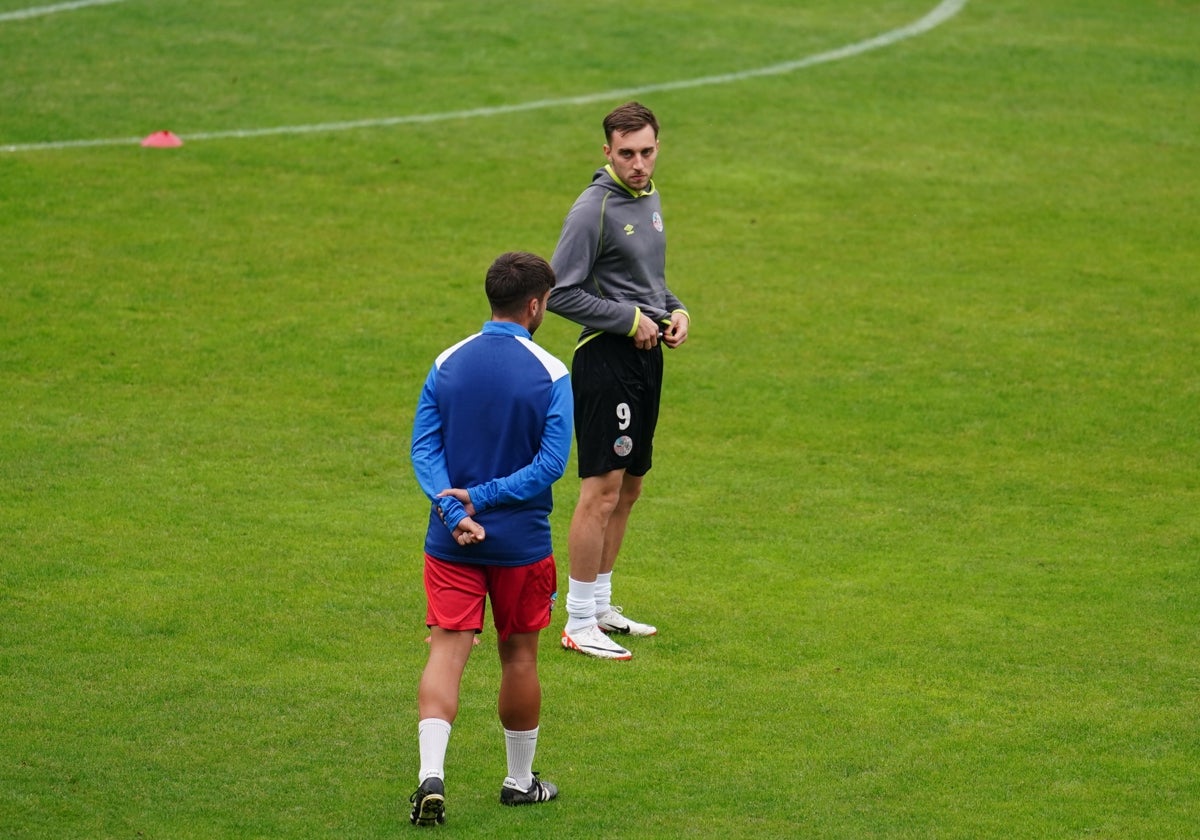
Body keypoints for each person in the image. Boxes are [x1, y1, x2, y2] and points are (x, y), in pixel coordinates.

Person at [408, 251, 571, 826]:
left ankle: (432, 774)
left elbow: (424, 451)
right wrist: (487, 497)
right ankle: (520, 782)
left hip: (452, 542)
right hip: (521, 544)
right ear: (534, 305)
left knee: (447, 651)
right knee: (519, 656)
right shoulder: (552, 373)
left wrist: (456, 513)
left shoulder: (446, 362)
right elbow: (551, 464)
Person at [548, 102, 690, 661]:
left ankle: (601, 603)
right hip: (605, 358)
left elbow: (647, 281)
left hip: (646, 357)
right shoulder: (593, 210)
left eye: (647, 152)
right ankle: (578, 621)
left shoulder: (649, 198)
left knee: (630, 487)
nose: (638, 163)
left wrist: (674, 311)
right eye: (626, 153)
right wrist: (628, 320)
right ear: (606, 151)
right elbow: (560, 291)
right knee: (600, 491)